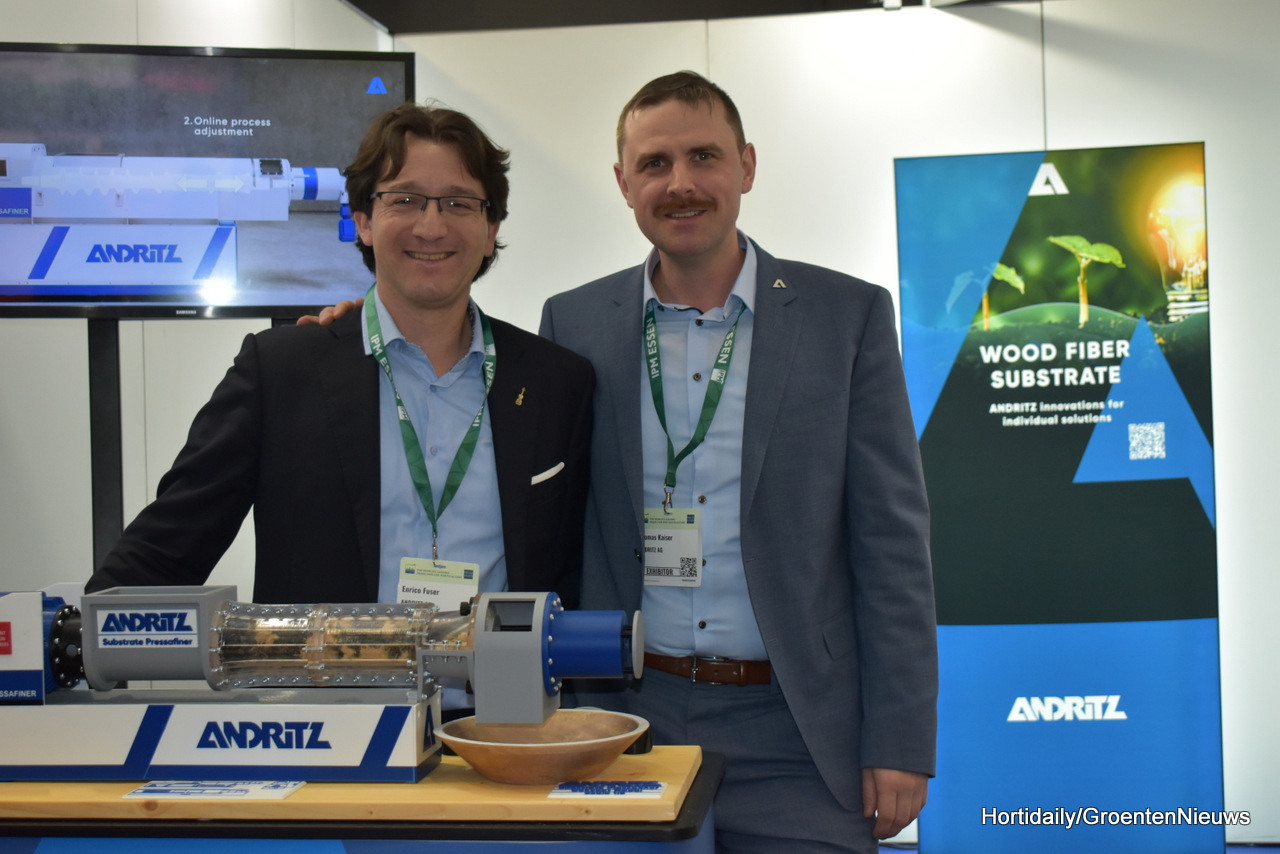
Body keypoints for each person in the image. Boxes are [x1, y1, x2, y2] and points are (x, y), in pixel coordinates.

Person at [537, 72, 937, 853]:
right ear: (623, 183)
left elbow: (892, 543)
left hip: (799, 732)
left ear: (746, 166)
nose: (680, 183)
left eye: (704, 156)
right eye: (654, 164)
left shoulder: (845, 317)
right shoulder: (575, 322)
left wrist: (900, 737)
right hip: (627, 718)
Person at [87, 104, 595, 621]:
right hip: (326, 675)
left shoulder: (556, 383)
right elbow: (167, 549)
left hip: (499, 676)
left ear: (490, 229)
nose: (431, 226)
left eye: (459, 203)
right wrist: (73, 637)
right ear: (364, 222)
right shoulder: (280, 373)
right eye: (405, 200)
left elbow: (578, 575)